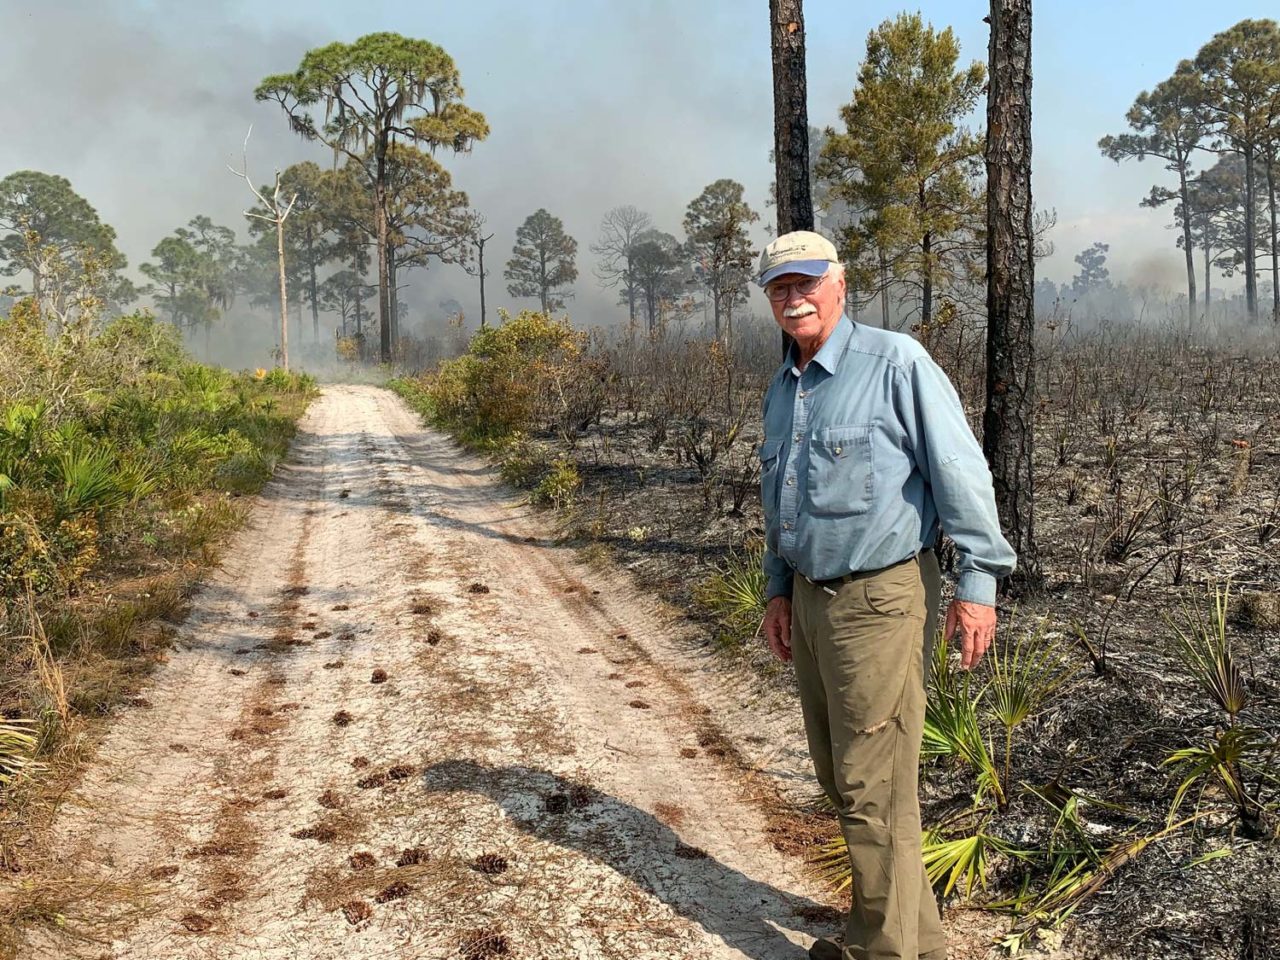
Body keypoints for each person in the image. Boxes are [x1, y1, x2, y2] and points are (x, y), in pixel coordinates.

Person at [756, 230, 1016, 960]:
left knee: (874, 788)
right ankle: (893, 933)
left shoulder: (895, 362)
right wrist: (778, 592)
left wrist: (977, 584)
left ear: (841, 284)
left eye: (807, 282)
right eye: (780, 287)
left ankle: (893, 953)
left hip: (879, 599)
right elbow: (781, 497)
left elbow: (961, 474)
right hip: (809, 600)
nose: (794, 297)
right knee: (845, 779)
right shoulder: (785, 384)